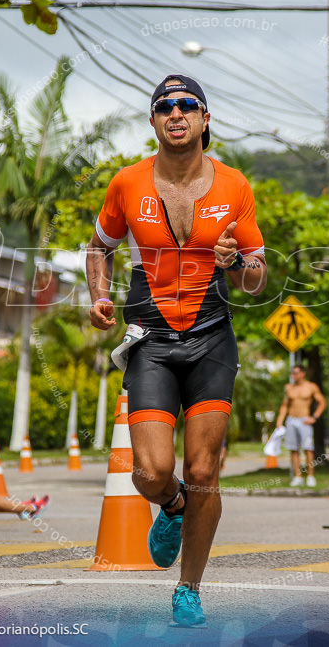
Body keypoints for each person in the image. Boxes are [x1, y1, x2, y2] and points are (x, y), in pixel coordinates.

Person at [86, 74, 267, 627]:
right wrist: (98, 294)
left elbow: (258, 277)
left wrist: (238, 264)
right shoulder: (127, 182)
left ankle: (188, 588)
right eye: (165, 106)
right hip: (152, 341)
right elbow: (99, 247)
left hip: (212, 337)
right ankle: (171, 504)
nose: (177, 113)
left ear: (205, 119)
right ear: (154, 120)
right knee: (150, 469)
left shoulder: (234, 185)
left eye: (188, 105)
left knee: (205, 469)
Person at [275, 365, 327, 487]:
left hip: (305, 420)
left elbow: (322, 402)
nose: (294, 376)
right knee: (293, 450)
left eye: (296, 373)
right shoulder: (288, 388)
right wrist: (280, 421)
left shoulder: (311, 387)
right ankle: (298, 476)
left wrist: (314, 417)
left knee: (308, 449)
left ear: (303, 373)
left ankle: (310, 476)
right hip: (291, 420)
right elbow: (284, 405)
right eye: (292, 373)